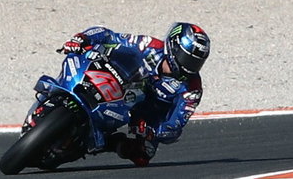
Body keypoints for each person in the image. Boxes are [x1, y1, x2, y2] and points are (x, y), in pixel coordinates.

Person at [52, 23, 210, 166]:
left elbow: (176, 123)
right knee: (81, 59)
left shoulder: (192, 89)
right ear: (174, 47)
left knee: (143, 154)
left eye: (196, 62)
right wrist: (82, 38)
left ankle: (106, 143)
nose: (189, 67)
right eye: (187, 58)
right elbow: (108, 35)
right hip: (116, 84)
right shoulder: (147, 45)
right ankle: (55, 94)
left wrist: (157, 131)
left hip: (145, 115)